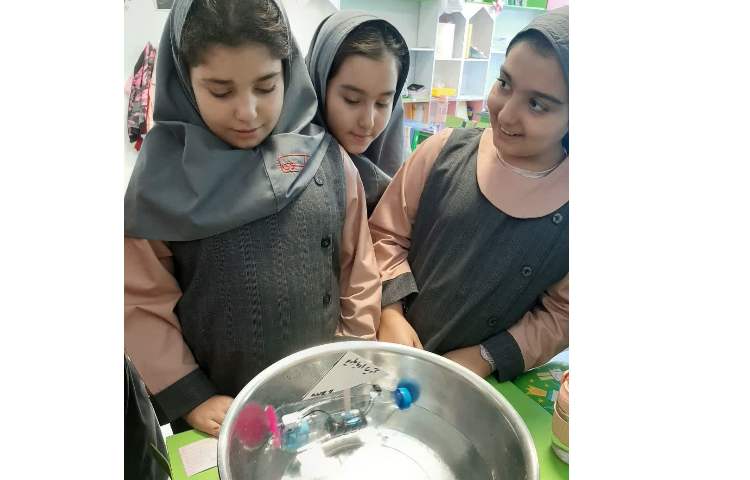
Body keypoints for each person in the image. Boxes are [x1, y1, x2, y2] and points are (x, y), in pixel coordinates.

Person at [124, 0, 381, 437]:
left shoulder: (329, 162)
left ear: (288, 72)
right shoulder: (159, 186)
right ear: (184, 81)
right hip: (224, 411)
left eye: (265, 87)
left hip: (325, 396)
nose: (247, 112)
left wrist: (350, 357)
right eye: (220, 91)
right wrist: (191, 395)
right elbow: (141, 302)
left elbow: (358, 272)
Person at [370, 7, 569, 381]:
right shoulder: (442, 152)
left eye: (537, 104)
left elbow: (562, 315)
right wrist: (390, 311)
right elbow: (385, 234)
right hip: (388, 355)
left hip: (474, 383)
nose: (506, 115)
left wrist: (487, 356)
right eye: (504, 83)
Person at [306, 11, 410, 213]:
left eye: (382, 103)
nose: (368, 122)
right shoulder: (290, 172)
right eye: (352, 100)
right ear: (319, 86)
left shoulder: (405, 179)